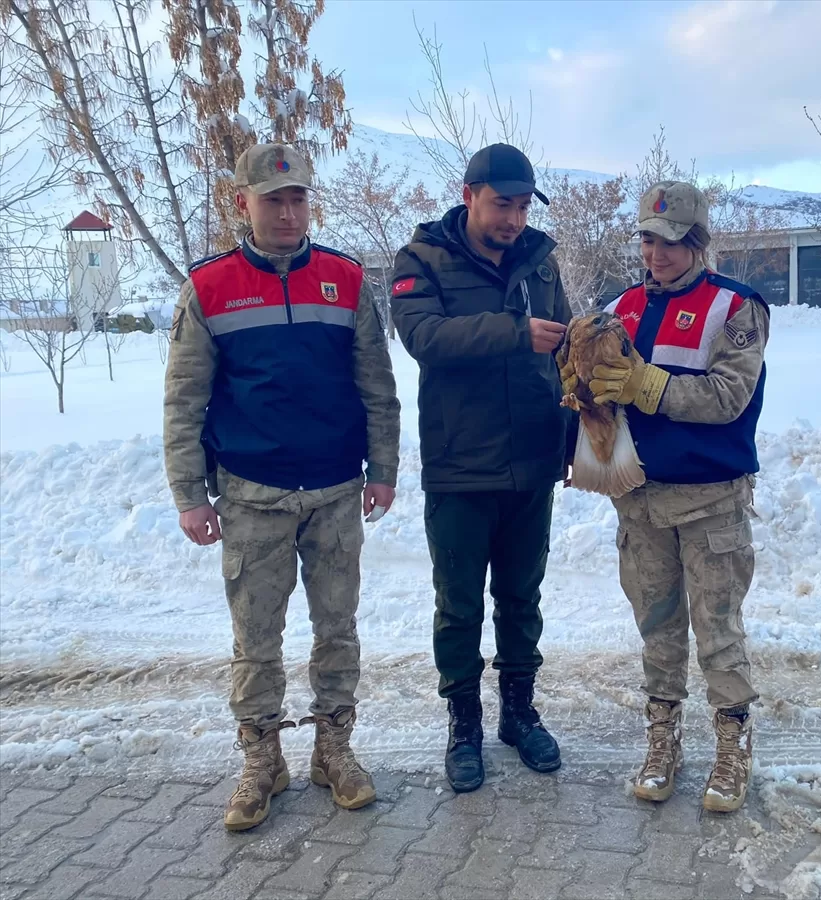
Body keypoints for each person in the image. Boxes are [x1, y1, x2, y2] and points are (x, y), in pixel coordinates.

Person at [163, 142, 401, 831]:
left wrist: (382, 470)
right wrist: (189, 493)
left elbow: (377, 389)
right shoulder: (209, 287)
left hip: (334, 492)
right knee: (256, 637)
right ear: (243, 203)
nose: (289, 212)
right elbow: (184, 401)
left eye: (298, 197)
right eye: (274, 199)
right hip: (252, 494)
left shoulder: (346, 280)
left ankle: (334, 748)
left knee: (338, 629)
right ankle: (262, 758)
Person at [558, 181, 769, 812]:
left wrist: (649, 385)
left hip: (710, 504)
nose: (657, 254)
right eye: (648, 240)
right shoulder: (617, 307)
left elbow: (731, 397)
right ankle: (664, 738)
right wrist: (579, 388)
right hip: (641, 501)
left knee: (718, 631)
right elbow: (601, 398)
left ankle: (732, 745)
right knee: (657, 627)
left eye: (671, 242)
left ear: (698, 241)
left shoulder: (735, 307)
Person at [390, 143, 571, 794]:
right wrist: (513, 331)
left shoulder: (541, 260)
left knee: (522, 600)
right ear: (468, 195)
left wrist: (576, 430)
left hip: (531, 460)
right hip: (460, 466)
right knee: (460, 606)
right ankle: (463, 724)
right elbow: (425, 340)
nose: (514, 220)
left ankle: (518, 715)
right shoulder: (421, 261)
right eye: (502, 205)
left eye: (523, 206)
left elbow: (566, 347)